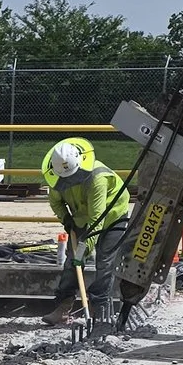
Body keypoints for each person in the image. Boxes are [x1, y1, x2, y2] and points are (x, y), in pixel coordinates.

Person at [41, 137, 132, 328]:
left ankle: (99, 310)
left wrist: (83, 251)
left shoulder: (97, 179)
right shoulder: (56, 178)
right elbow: (56, 202)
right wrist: (66, 219)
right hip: (82, 217)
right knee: (71, 263)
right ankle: (62, 308)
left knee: (105, 261)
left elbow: (96, 221)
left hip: (112, 215)